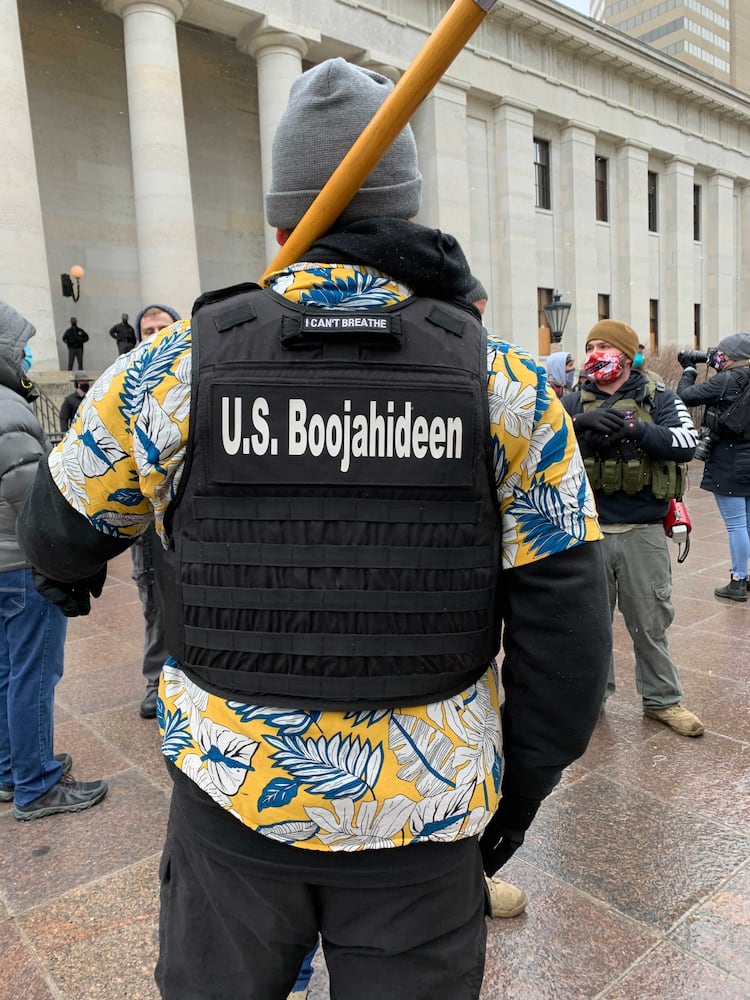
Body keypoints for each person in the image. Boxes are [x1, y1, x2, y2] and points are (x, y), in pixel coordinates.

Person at [19, 59, 611, 1000]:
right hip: (429, 816)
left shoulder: (174, 368)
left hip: (231, 799)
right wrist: (514, 797)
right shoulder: (504, 384)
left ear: (283, 219)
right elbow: (570, 630)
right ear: (408, 209)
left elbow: (57, 530)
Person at [562, 319, 704, 738]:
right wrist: (578, 429)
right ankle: (593, 701)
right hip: (588, 531)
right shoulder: (573, 400)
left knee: (650, 620)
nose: (595, 354)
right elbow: (542, 449)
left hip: (642, 529)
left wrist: (637, 429)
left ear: (625, 354)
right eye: (590, 346)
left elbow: (687, 442)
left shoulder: (658, 395)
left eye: (604, 346)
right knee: (590, 625)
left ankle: (663, 701)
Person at [0, 301, 107, 821]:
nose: (26, 353)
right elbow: (30, 500)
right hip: (21, 566)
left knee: (6, 672)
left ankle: (10, 768)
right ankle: (37, 784)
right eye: (20, 343)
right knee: (35, 673)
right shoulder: (8, 407)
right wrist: (62, 556)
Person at [129, 304, 181, 719]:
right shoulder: (125, 386)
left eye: (162, 328)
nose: (154, 334)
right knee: (152, 598)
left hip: (183, 511)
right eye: (147, 330)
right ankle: (155, 680)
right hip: (145, 515)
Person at [677, 332, 750, 601]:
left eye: (722, 353)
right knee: (748, 522)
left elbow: (684, 396)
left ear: (732, 357)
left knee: (736, 525)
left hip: (729, 459)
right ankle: (747, 575)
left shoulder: (726, 380)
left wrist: (688, 368)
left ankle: (738, 580)